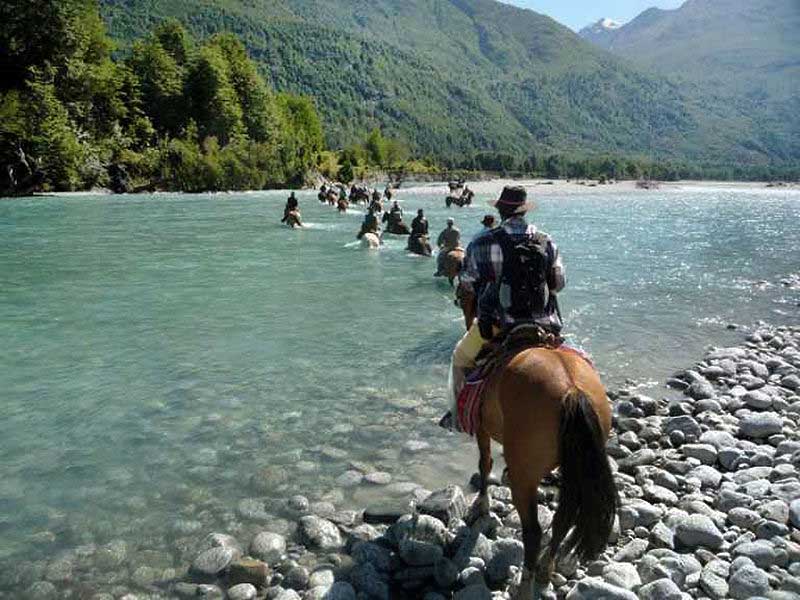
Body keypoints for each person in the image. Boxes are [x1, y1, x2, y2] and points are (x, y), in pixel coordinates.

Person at [444, 186, 565, 428]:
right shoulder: (546, 240)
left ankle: (459, 419)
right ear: (523, 210)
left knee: (459, 358)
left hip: (501, 325)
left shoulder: (482, 242)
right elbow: (559, 284)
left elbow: (467, 283)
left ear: (500, 211)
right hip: (545, 326)